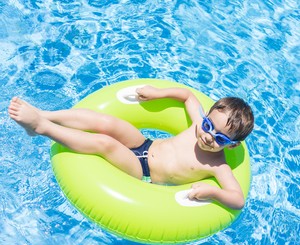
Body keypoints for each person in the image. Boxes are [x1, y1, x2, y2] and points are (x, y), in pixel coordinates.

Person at [8, 85, 254, 210]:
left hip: (142, 171)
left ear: (232, 146)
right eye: (209, 125)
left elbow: (237, 199)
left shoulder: (218, 165)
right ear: (208, 115)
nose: (209, 137)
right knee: (106, 122)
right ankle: (45, 114)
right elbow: (188, 96)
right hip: (144, 144)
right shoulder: (199, 123)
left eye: (220, 139)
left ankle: (41, 127)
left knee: (104, 144)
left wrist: (213, 193)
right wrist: (158, 93)